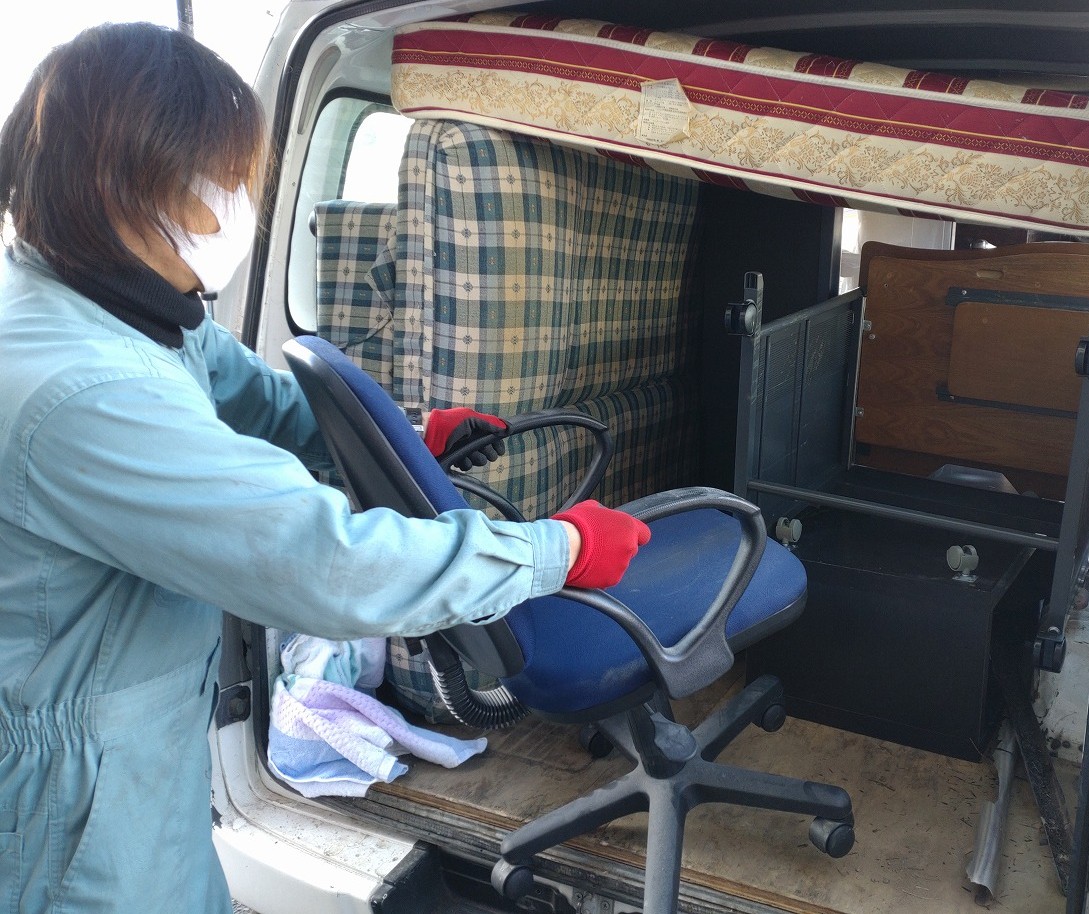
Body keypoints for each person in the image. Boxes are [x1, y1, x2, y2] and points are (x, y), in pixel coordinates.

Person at [0, 22, 651, 914]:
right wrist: (552, 551)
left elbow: (264, 402)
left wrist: (407, 438)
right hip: (69, 805)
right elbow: (323, 565)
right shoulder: (84, 389)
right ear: (121, 187)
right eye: (212, 186)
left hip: (136, 752)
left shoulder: (125, 306)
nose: (231, 212)